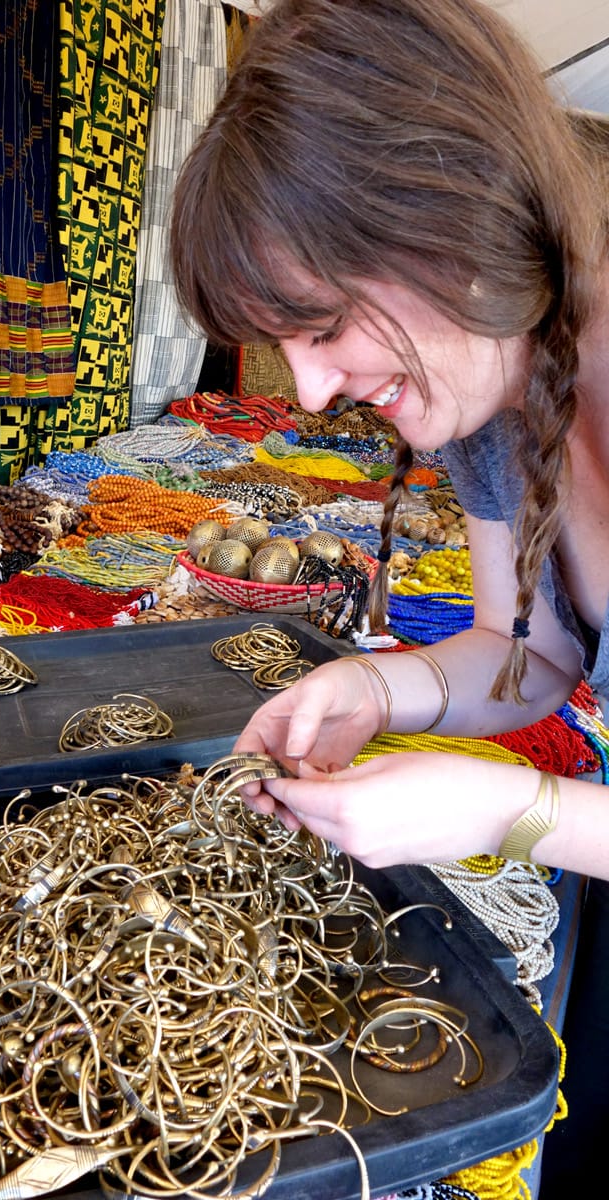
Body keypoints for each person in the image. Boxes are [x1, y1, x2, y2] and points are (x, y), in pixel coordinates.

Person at [170, 0, 609, 882]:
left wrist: (506, 812)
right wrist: (366, 690)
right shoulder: (497, 392)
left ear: (450, 225)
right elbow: (531, 655)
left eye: (324, 325)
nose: (310, 391)